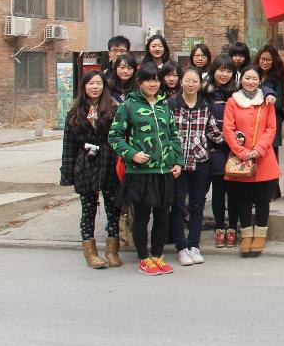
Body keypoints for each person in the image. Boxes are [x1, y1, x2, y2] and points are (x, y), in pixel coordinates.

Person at [109, 63, 183, 276]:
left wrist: (177, 161)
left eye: (156, 80)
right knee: (142, 215)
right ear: (139, 82)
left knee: (163, 215)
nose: (153, 84)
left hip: (164, 171)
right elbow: (114, 137)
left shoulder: (163, 106)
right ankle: (143, 258)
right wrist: (132, 154)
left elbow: (174, 135)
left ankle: (158, 256)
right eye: (148, 80)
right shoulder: (128, 106)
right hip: (140, 172)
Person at [59, 71, 122, 269]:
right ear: (84, 86)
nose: (95, 87)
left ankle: (112, 250)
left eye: (98, 83)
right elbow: (68, 145)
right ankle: (91, 252)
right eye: (91, 83)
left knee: (113, 209)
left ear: (104, 86)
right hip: (86, 164)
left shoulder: (114, 108)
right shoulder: (75, 111)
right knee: (88, 210)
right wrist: (67, 173)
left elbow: (121, 137)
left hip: (109, 163)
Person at [223, 65, 281, 256]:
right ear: (241, 80)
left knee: (263, 199)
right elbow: (228, 129)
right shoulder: (233, 101)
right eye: (247, 78)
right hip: (241, 159)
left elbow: (271, 128)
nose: (250, 81)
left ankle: (261, 234)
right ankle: (247, 235)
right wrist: (241, 151)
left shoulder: (267, 101)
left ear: (260, 81)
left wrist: (259, 149)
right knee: (243, 199)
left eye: (254, 78)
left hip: (264, 159)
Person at [169, 67, 223, 266]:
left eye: (195, 81)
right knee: (177, 206)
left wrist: (237, 141)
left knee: (197, 205)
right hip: (177, 163)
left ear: (200, 84)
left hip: (200, 162)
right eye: (187, 80)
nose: (191, 84)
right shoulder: (171, 105)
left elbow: (214, 133)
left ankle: (194, 245)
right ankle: (181, 247)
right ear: (181, 82)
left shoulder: (204, 107)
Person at [204, 55, 240, 248]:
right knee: (218, 190)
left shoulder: (237, 93)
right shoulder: (204, 92)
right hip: (215, 147)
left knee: (233, 191)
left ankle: (232, 228)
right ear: (214, 70)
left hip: (234, 148)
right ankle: (219, 228)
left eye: (228, 71)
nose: (224, 74)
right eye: (221, 70)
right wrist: (216, 140)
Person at [254, 45, 284, 153]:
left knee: (271, 149)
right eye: (263, 59)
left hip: (273, 115)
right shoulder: (253, 73)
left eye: (269, 60)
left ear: (274, 61)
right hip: (255, 116)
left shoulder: (278, 76)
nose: (265, 62)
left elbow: (279, 102)